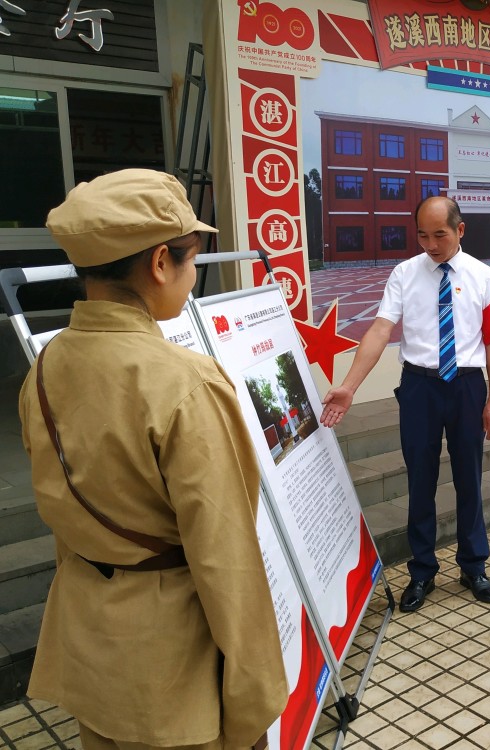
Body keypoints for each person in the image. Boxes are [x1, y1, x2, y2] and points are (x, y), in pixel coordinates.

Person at [19, 169, 288, 750]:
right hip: (175, 672)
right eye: (192, 259)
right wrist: (252, 701)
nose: (193, 277)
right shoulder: (184, 382)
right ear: (161, 262)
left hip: (91, 648)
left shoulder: (45, 367)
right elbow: (226, 557)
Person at [320, 196, 490, 612]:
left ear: (460, 230)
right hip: (420, 388)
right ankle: (422, 571)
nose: (430, 244)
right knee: (420, 481)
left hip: (466, 387)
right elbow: (379, 329)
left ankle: (474, 565)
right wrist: (350, 386)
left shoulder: (483, 276)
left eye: (439, 234)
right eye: (423, 235)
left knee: (470, 477)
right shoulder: (404, 274)